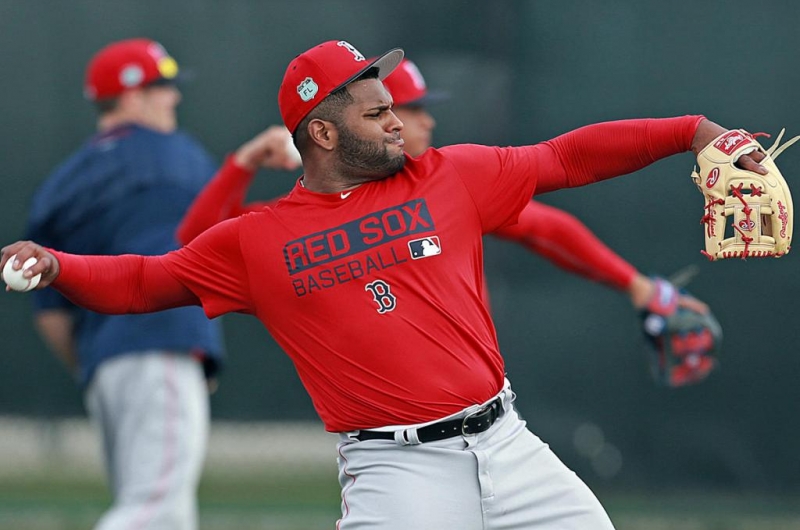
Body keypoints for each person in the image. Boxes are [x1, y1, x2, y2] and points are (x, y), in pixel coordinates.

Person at [3, 40, 769, 529]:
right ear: (325, 134)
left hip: (507, 443)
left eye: (395, 108)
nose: (397, 122)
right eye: (376, 112)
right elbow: (147, 280)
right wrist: (60, 265)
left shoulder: (450, 177)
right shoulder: (259, 239)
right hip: (396, 472)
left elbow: (566, 159)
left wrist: (691, 132)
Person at [176, 56, 706, 317]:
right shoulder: (305, 212)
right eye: (409, 109)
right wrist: (242, 163)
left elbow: (544, 227)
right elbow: (196, 243)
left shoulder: (440, 189)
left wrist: (636, 286)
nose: (423, 123)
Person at [21, 38, 225, 530]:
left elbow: (48, 310)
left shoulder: (64, 182)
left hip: (102, 361)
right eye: (162, 88)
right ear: (131, 97)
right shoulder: (175, 157)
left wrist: (96, 361)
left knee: (155, 508)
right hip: (162, 346)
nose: (173, 98)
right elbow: (207, 254)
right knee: (156, 512)